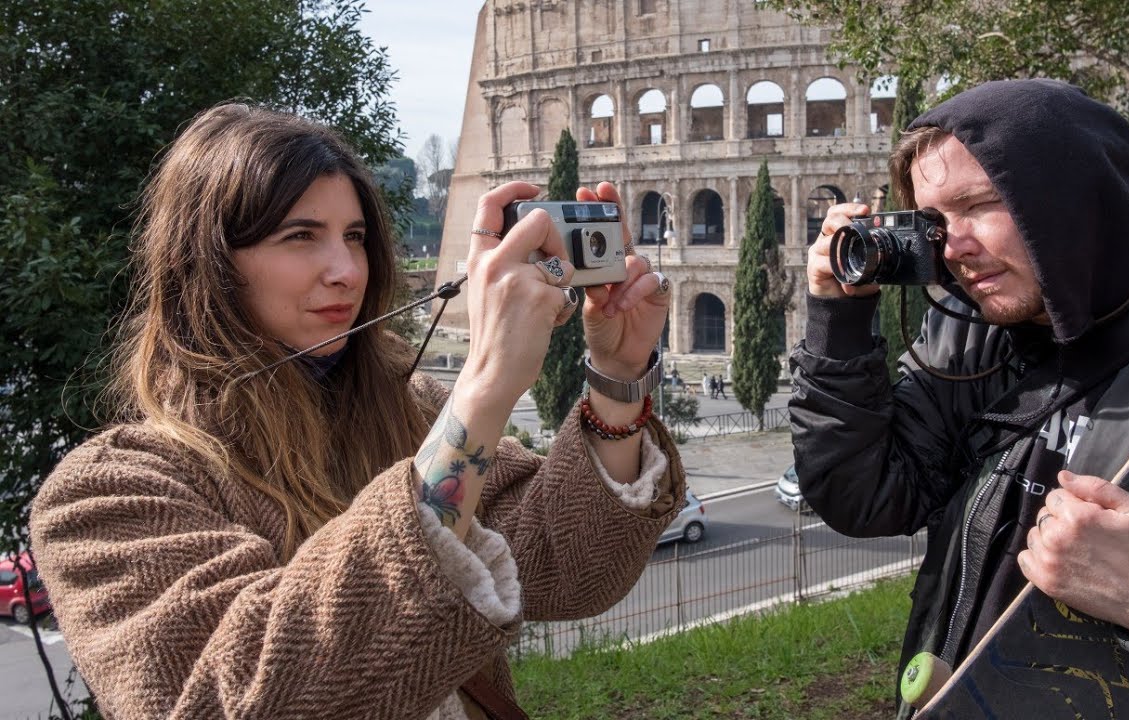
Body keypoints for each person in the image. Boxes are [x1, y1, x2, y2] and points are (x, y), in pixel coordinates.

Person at [30, 104, 686, 719]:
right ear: (200, 264)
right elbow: (238, 696)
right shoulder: (106, 496)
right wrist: (484, 390)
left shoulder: (409, 413)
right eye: (300, 237)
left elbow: (572, 567)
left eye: (354, 236)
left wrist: (618, 378)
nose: (346, 270)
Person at [789, 79, 1129, 717]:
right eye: (934, 222)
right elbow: (869, 497)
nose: (953, 249)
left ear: (1072, 198)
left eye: (979, 204)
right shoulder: (970, 335)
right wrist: (838, 321)